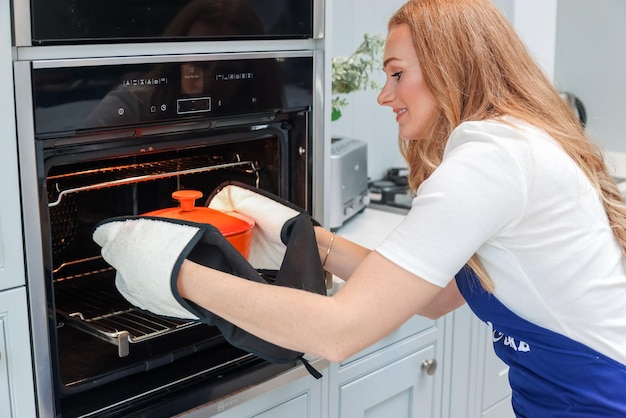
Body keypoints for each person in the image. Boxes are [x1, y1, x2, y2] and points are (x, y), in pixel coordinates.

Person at [93, 0, 626, 416]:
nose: (384, 94)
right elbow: (440, 295)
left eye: (396, 73)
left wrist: (174, 270)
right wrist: (302, 237)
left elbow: (338, 332)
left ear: (449, 65)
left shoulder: (490, 158)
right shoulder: (513, 141)